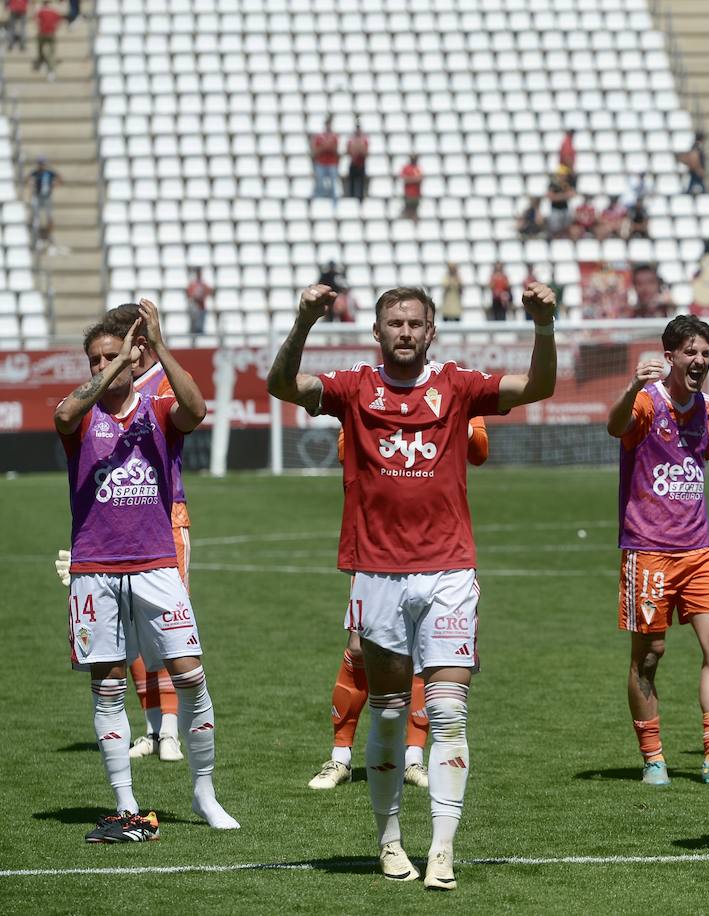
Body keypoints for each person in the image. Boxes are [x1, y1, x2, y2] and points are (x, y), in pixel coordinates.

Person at [266, 280, 559, 888]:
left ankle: (443, 851)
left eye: (414, 324)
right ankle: (390, 842)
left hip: (450, 571)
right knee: (393, 712)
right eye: (393, 323)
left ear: (431, 332)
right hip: (376, 573)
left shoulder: (456, 385)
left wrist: (543, 325)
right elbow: (281, 386)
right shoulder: (354, 388)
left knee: (449, 714)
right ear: (378, 333)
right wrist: (302, 323)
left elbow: (538, 387)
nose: (404, 332)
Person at [57, 300, 237, 842]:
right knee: (107, 686)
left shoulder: (157, 410)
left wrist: (155, 345)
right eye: (94, 358)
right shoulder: (79, 414)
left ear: (135, 359)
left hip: (156, 564)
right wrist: (119, 363)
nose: (101, 366)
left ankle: (204, 792)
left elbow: (197, 408)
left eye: (111, 356)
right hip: (95, 568)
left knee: (191, 676)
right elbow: (65, 413)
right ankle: (127, 802)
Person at [605, 316, 709, 786]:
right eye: (691, 352)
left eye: (706, 353)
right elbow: (615, 426)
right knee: (649, 656)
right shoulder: (647, 403)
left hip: (698, 551)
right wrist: (631, 387)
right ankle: (653, 758)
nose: (700, 361)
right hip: (647, 552)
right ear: (670, 357)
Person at [308, 418, 490, 791]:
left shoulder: (457, 390)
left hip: (438, 549)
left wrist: (452, 427)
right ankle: (340, 756)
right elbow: (348, 450)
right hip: (379, 549)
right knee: (359, 648)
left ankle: (413, 759)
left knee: (428, 653)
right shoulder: (371, 391)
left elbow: (480, 450)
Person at [27, 155, 61, 246]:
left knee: (49, 217)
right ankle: (37, 235)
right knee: (36, 216)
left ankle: (49, 234)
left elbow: (59, 178)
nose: (41, 166)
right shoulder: (35, 173)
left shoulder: (49, 173)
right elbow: (29, 180)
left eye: (43, 163)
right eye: (40, 164)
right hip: (38, 196)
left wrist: (54, 185)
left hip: (47, 197)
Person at [310, 117, 340, 202]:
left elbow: (335, 150)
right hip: (321, 163)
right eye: (327, 124)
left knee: (333, 185)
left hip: (331, 163)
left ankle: (334, 204)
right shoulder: (319, 137)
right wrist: (326, 147)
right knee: (319, 184)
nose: (328, 126)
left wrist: (324, 147)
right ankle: (319, 202)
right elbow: (315, 151)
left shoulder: (334, 136)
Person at [32, 0, 59, 79]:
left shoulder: (41, 11)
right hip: (51, 33)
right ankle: (50, 70)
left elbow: (36, 20)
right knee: (51, 53)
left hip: (42, 33)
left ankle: (42, 62)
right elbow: (58, 20)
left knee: (40, 49)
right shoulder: (54, 12)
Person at [345, 119, 369, 200]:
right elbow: (349, 151)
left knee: (361, 184)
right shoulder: (351, 139)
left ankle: (360, 200)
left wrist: (357, 148)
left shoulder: (364, 139)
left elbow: (365, 152)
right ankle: (352, 200)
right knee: (352, 184)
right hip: (353, 163)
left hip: (361, 164)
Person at [185, 268, 212, 336]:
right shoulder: (193, 284)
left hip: (201, 308)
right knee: (194, 324)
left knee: (200, 326)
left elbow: (209, 291)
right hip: (195, 307)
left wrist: (201, 297)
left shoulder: (203, 284)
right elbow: (189, 294)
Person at [398, 155, 422, 221]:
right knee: (408, 208)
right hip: (408, 193)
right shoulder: (406, 168)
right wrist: (415, 179)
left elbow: (420, 179)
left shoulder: (418, 168)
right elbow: (405, 179)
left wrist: (411, 179)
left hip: (416, 193)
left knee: (414, 209)